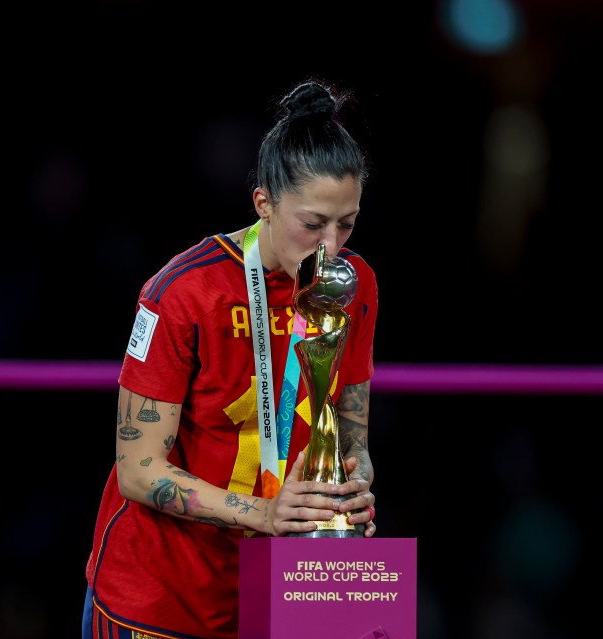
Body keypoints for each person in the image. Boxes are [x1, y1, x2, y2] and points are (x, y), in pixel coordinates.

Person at [82, 77, 379, 639]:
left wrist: (352, 480)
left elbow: (351, 430)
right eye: (313, 224)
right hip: (160, 598)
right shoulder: (182, 291)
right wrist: (266, 515)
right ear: (263, 202)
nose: (331, 247)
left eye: (347, 223)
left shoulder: (355, 285)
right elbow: (138, 470)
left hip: (286, 594)